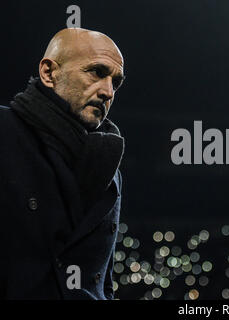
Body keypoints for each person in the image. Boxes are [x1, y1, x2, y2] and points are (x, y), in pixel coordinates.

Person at [0, 28, 126, 299]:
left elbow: (104, 278)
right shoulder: (5, 132)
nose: (107, 91)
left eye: (115, 82)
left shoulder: (109, 165)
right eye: (96, 72)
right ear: (48, 73)